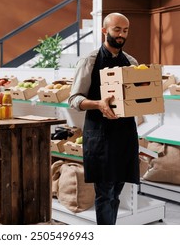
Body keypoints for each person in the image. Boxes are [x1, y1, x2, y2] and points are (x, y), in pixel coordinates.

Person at [68, 13, 140, 225]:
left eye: (125, 30)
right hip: (101, 136)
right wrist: (99, 104)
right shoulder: (89, 61)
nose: (121, 35)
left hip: (125, 135)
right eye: (117, 29)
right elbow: (74, 99)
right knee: (105, 194)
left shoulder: (132, 62)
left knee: (116, 193)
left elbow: (135, 97)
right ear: (104, 30)